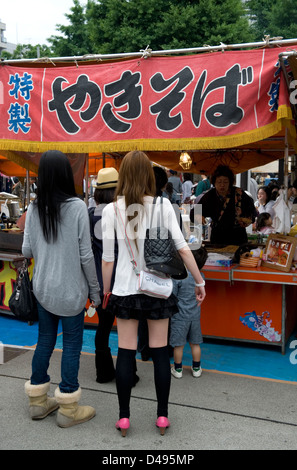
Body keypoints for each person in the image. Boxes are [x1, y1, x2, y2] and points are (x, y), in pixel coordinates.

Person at [101, 150, 206, 437]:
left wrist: (106, 290)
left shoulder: (111, 210)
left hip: (124, 289)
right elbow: (183, 247)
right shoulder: (163, 206)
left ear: (123, 176)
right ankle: (162, 416)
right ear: (149, 175)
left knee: (125, 351)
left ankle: (124, 418)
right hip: (158, 289)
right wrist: (200, 281)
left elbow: (108, 258)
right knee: (161, 353)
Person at [23, 150, 100, 428]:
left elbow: (27, 249)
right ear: (67, 175)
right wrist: (95, 292)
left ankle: (37, 401)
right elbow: (86, 256)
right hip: (71, 292)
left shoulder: (33, 208)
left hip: (43, 289)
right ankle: (68, 407)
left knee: (45, 341)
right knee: (71, 345)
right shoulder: (78, 207)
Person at [89, 167, 119, 383]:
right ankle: (130, 373)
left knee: (104, 326)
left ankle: (103, 372)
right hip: (124, 279)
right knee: (128, 329)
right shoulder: (126, 213)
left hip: (99, 281)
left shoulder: (90, 215)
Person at [191, 164, 257, 246]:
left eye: (225, 182)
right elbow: (194, 213)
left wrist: (247, 220)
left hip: (238, 237)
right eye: (219, 182)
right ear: (214, 182)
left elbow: (252, 213)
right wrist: (198, 216)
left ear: (230, 182)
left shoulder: (239, 194)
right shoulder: (210, 195)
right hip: (218, 237)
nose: (222, 185)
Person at [170, 246, 208, 379]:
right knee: (195, 344)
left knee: (178, 345)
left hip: (179, 316)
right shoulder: (201, 277)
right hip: (195, 316)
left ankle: (178, 369)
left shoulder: (179, 276)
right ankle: (197, 368)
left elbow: (173, 295)